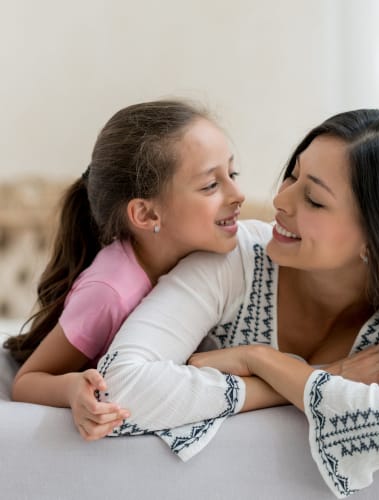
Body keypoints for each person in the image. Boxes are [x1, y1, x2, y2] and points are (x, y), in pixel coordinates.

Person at [97, 108, 379, 497]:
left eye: (313, 199)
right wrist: (331, 374)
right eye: (292, 175)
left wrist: (259, 360)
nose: (280, 200)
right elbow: (117, 388)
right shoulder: (235, 258)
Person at [3, 99, 245, 440]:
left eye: (232, 174)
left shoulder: (206, 259)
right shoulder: (110, 292)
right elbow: (28, 381)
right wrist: (73, 388)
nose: (238, 194)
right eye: (211, 185)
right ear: (146, 215)